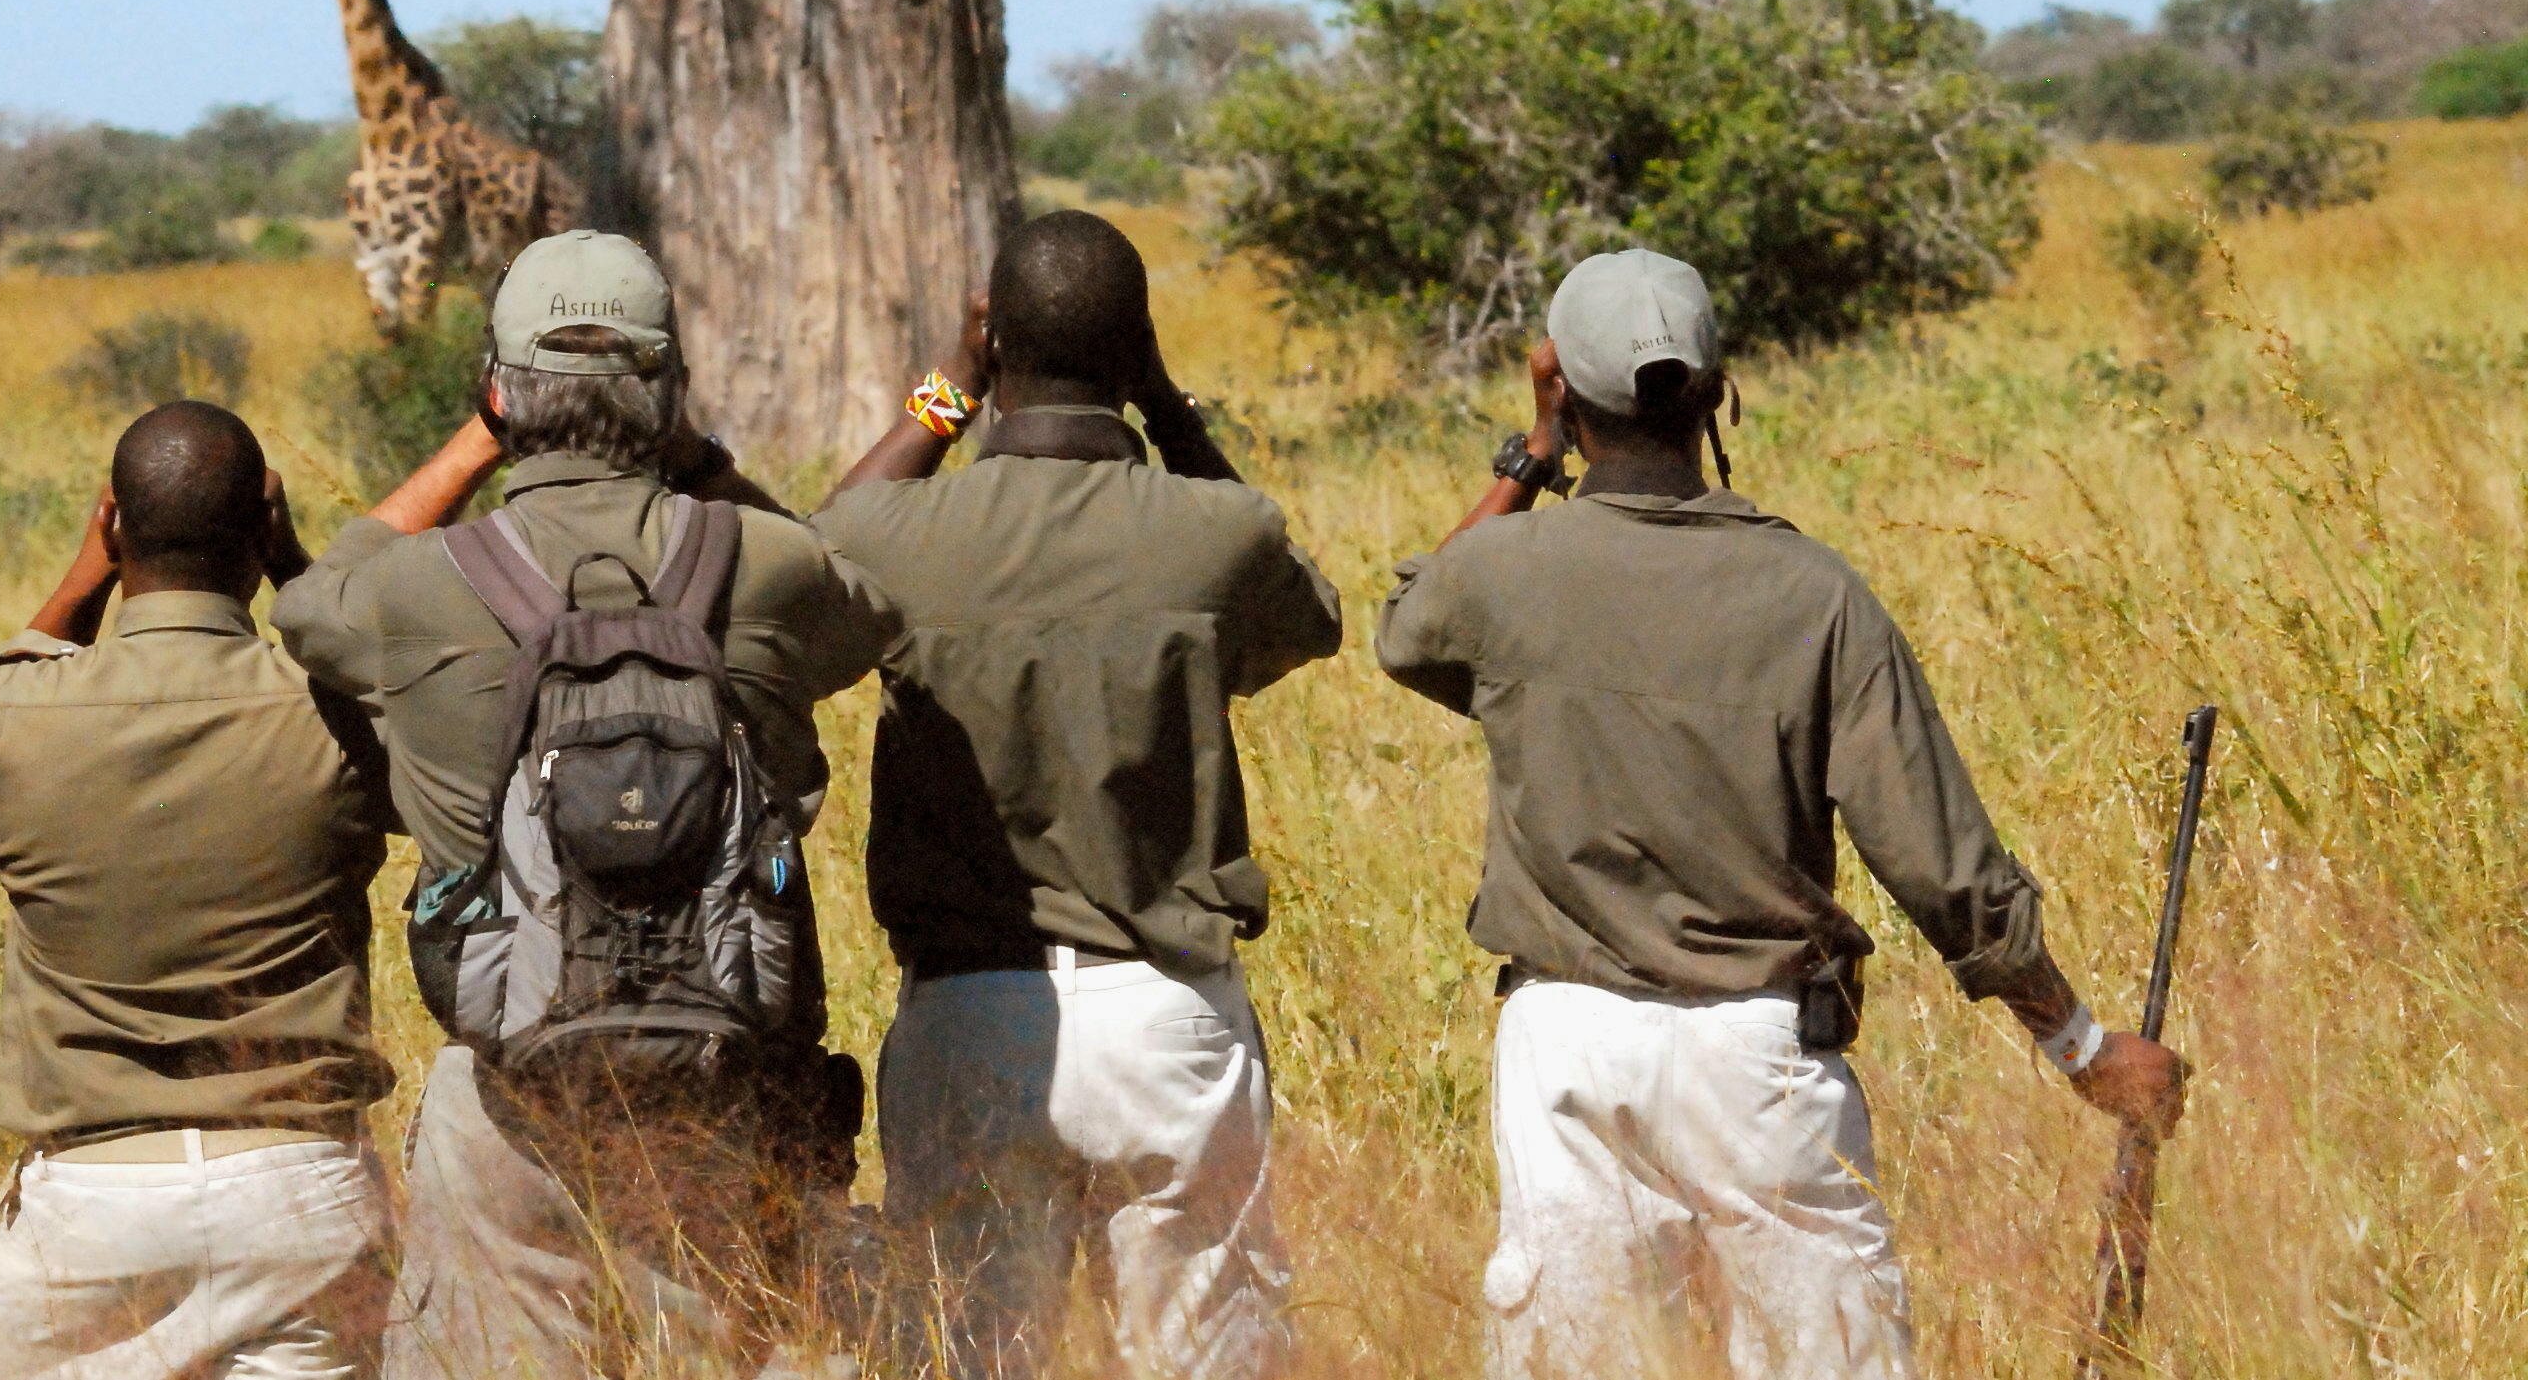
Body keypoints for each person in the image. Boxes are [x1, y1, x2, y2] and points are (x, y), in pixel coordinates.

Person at [1375, 249, 2190, 1379]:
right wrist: (2079, 1045)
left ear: (1558, 382)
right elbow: (1941, 868)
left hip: (1559, 1048)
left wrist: (1530, 453)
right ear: (1716, 392)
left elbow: (1404, 622)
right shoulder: (1814, 593)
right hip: (1755, 1058)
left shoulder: (1501, 574)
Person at [270, 231, 899, 1379]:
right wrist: (696, 457)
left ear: (500, 392)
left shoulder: (421, 587)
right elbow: (863, 604)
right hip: (730, 1091)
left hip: (509, 1087)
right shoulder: (759, 561)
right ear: (663, 393)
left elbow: (309, 602)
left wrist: (474, 442)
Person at [810, 209, 1341, 1379]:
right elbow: (1304, 605)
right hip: (1166, 1019)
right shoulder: (1213, 531)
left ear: (992, 345)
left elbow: (818, 546)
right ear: (1136, 347)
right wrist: (1168, 409)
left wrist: (946, 389)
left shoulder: (905, 537)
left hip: (970, 1020)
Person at [0, 401, 396, 1378]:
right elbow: (403, 713)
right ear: (262, 534)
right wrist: (296, 569)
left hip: (87, 1208)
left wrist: (82, 576)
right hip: (296, 1193)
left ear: (111, 526)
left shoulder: (10, 723)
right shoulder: (336, 724)